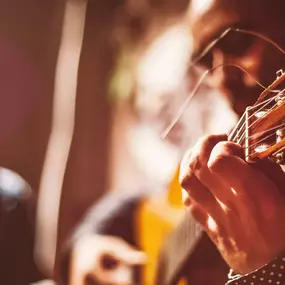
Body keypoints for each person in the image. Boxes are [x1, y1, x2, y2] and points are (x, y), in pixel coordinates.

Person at [179, 0, 285, 283]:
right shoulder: (233, 139)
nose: (221, 78)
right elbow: (140, 203)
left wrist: (263, 272)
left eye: (237, 41)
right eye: (204, 59)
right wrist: (86, 243)